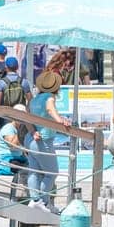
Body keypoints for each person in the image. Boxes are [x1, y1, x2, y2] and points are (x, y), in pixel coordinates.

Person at [27, 70, 71, 210]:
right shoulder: (50, 97)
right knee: (52, 173)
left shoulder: (33, 100)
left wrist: (33, 131)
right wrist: (61, 121)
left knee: (34, 171)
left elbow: (27, 117)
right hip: (44, 140)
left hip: (31, 139)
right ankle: (43, 201)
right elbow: (50, 109)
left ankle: (34, 200)